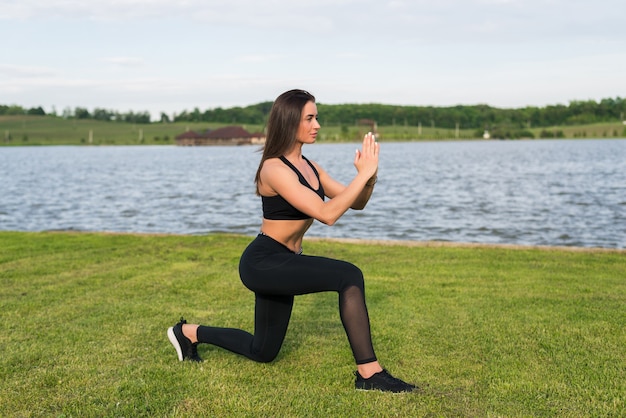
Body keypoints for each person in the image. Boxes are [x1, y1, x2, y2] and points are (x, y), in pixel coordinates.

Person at [167, 89, 416, 393]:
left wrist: (369, 176)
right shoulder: (273, 168)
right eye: (310, 118)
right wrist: (360, 177)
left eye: (316, 117)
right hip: (264, 262)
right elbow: (326, 213)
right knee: (349, 275)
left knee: (263, 351)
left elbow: (356, 203)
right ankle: (369, 373)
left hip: (285, 261)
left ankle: (188, 332)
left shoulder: (311, 168)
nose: (317, 125)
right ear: (289, 121)